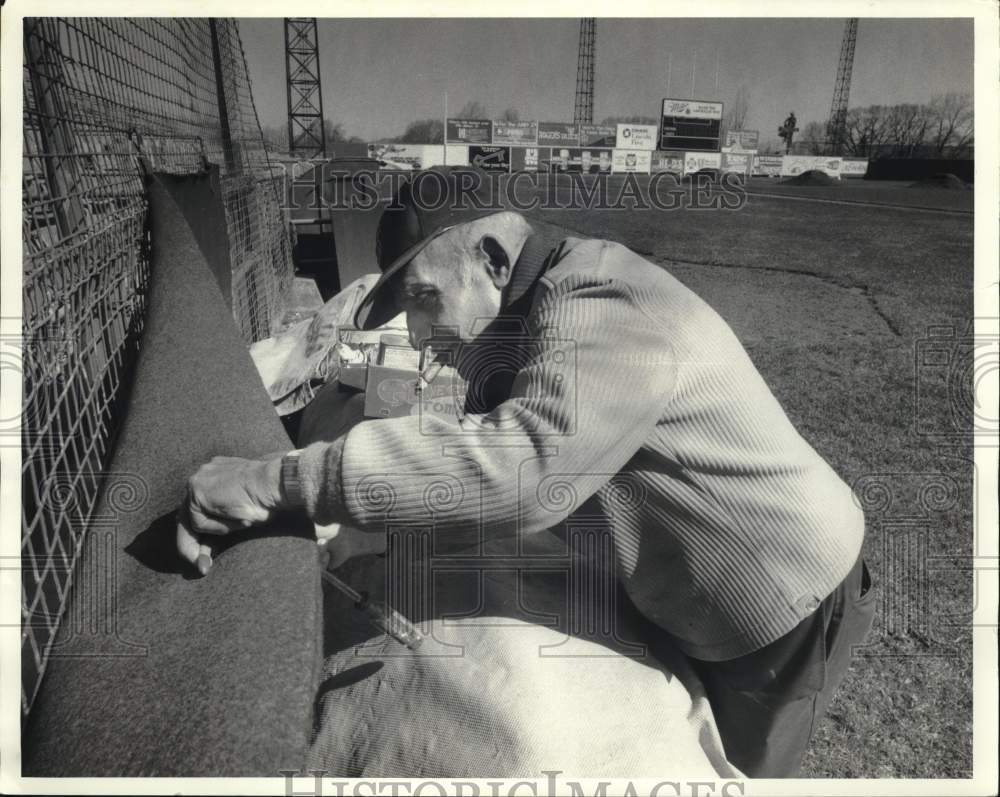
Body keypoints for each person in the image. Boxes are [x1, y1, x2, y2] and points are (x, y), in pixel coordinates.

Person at [178, 167, 875, 777]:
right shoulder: (523, 325)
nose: (416, 335)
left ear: (492, 260)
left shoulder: (606, 301)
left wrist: (280, 480)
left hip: (782, 601)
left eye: (423, 300)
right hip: (694, 586)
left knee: (733, 767)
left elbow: (522, 469)